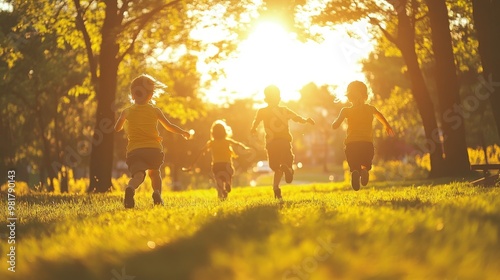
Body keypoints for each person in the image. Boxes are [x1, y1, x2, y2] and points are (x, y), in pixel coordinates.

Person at [114, 74, 191, 208]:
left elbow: (116, 128)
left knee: (138, 175)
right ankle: (157, 195)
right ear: (150, 96)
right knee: (155, 174)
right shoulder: (155, 111)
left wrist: (121, 121)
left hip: (135, 151)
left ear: (132, 94)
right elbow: (169, 126)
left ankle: (130, 188)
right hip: (153, 150)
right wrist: (182, 132)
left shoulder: (127, 111)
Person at [250, 85, 315, 199]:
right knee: (287, 161)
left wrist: (254, 128)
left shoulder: (262, 111)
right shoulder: (284, 110)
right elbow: (296, 118)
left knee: (275, 166)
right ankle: (287, 171)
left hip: (271, 143)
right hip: (284, 141)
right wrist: (306, 120)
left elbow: (256, 121)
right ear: (279, 98)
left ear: (266, 99)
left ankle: (276, 187)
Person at [331, 80, 394, 191]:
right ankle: (364, 171)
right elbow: (380, 116)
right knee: (366, 162)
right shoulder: (370, 109)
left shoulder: (346, 110)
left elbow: (335, 125)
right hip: (367, 144)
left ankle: (356, 172)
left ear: (349, 97)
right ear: (365, 95)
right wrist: (387, 126)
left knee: (354, 164)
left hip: (352, 144)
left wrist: (335, 124)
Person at [188, 120, 250, 200]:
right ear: (224, 131)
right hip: (227, 164)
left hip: (216, 165)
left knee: (219, 180)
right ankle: (228, 183)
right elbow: (237, 144)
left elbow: (201, 152)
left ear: (213, 133)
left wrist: (192, 164)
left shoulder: (211, 143)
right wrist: (245, 148)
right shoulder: (227, 141)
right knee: (228, 176)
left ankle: (221, 194)